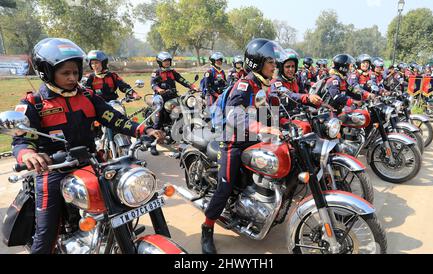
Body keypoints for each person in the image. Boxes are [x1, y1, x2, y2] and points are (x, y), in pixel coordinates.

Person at [12, 38, 164, 254]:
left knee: (124, 203)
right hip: (53, 169)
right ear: (47, 71)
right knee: (45, 236)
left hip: (92, 163)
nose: (73, 78)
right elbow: (21, 140)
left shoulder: (87, 96)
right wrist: (28, 154)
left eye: (75, 72)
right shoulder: (34, 103)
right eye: (66, 73)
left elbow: (114, 118)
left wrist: (144, 130)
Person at [201, 39, 284, 254]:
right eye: (270, 62)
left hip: (255, 138)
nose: (275, 66)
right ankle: (207, 229)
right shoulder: (244, 84)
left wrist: (285, 122)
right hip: (234, 141)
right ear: (256, 63)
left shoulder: (264, 84)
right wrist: (260, 127)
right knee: (225, 186)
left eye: (274, 62)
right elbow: (233, 114)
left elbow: (273, 110)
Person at [150, 51, 198, 155]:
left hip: (173, 97)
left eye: (168, 61)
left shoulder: (172, 72)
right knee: (159, 117)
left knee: (187, 108)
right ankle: (152, 143)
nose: (167, 63)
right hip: (160, 97)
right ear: (160, 62)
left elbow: (182, 80)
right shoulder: (156, 72)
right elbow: (153, 84)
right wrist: (158, 89)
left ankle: (182, 134)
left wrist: (192, 86)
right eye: (165, 61)